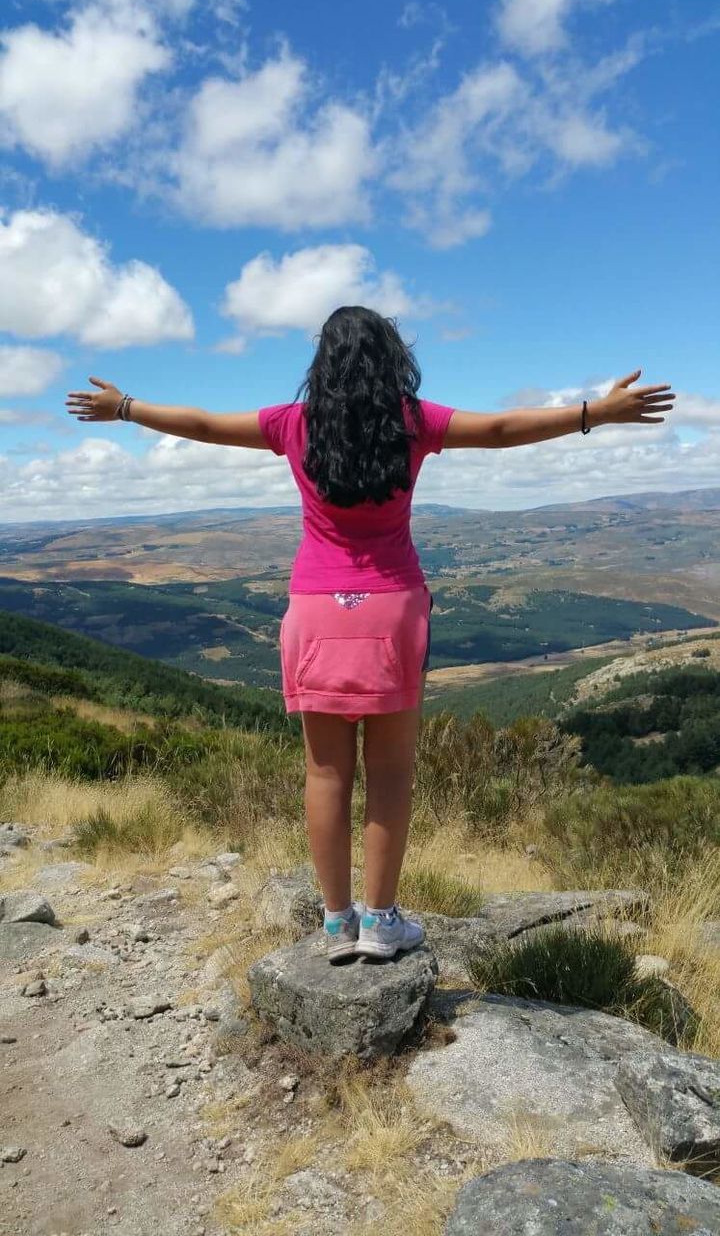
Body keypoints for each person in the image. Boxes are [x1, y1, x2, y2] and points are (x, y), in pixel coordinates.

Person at [66, 306, 675, 963]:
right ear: (392, 359)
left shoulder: (293, 425)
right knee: (389, 775)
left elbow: (207, 424)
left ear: (321, 365)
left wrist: (126, 407)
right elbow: (500, 429)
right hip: (391, 609)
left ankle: (335, 924)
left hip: (314, 612)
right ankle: (381, 923)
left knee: (325, 774)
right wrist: (594, 413)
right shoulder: (413, 423)